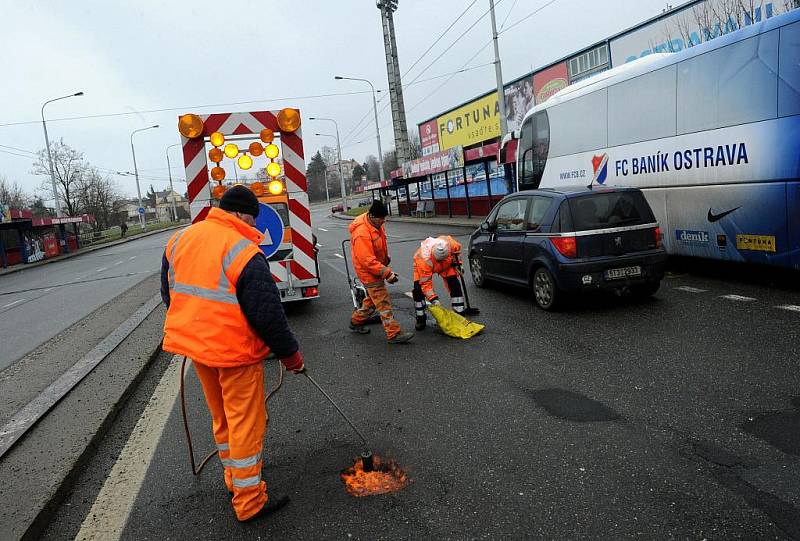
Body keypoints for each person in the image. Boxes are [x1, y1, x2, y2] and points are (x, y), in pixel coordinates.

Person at [160, 186, 303, 522]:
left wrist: (197, 330)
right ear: (241, 214)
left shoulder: (180, 240)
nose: (254, 223)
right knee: (244, 424)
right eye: (252, 217)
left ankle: (234, 480)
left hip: (199, 351)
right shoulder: (243, 251)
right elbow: (268, 314)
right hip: (235, 353)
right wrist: (291, 356)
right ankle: (250, 500)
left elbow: (169, 294)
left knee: (222, 418)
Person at [349, 200, 413, 344]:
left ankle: (356, 321)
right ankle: (394, 333)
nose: (384, 221)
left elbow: (378, 246)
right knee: (383, 302)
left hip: (375, 268)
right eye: (381, 218)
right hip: (368, 272)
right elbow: (367, 260)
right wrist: (386, 272)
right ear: (372, 216)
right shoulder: (361, 233)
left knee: (372, 301)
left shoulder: (376, 224)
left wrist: (385, 259)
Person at [412, 235, 465, 331]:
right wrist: (434, 300)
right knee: (418, 290)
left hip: (446, 266)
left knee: (455, 285)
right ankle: (421, 318)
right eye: (439, 260)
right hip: (424, 270)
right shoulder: (423, 259)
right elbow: (426, 285)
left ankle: (459, 312)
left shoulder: (451, 244)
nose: (440, 261)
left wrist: (459, 265)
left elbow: (457, 254)